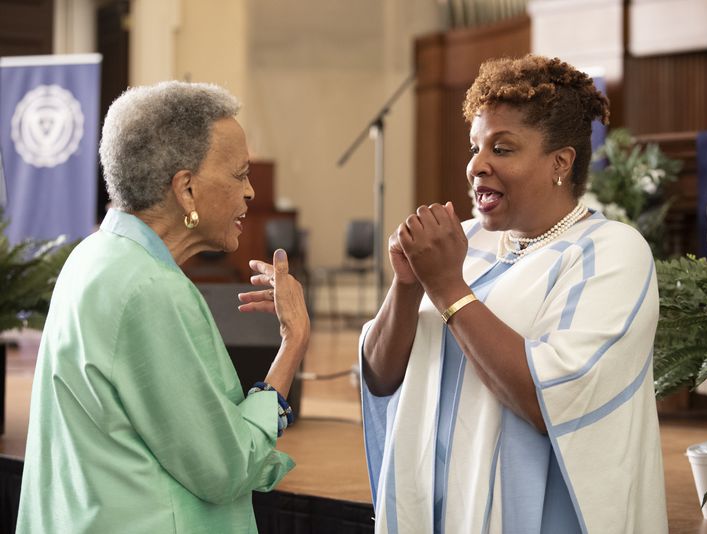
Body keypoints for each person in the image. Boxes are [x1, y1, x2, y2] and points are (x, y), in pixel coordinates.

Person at [360, 55, 667, 533]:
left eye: (502, 149)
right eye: (474, 147)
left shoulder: (610, 253)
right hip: (438, 511)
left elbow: (549, 398)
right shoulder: (463, 243)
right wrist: (405, 284)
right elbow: (381, 377)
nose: (477, 166)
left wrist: (445, 287)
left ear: (560, 162)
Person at [16, 81, 310, 533]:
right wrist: (293, 343)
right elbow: (226, 467)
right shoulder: (150, 289)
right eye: (239, 174)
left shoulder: (94, 256)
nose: (250, 192)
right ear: (186, 189)